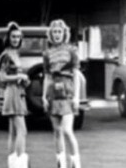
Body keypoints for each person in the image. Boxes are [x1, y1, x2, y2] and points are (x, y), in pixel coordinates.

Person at [42, 19, 82, 168]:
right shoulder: (47, 53)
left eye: (59, 31)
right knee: (57, 131)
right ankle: (61, 164)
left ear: (64, 33)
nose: (57, 34)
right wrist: (44, 97)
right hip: (53, 92)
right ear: (51, 34)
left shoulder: (72, 50)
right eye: (54, 32)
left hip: (68, 92)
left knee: (67, 130)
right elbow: (47, 76)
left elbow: (76, 74)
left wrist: (77, 97)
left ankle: (76, 163)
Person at [0, 21, 30, 168]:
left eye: (18, 37)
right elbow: (1, 77)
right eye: (13, 37)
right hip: (12, 92)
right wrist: (20, 78)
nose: (16, 39)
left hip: (18, 92)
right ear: (8, 38)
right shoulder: (7, 55)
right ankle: (19, 164)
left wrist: (23, 80)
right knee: (22, 131)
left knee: (13, 132)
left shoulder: (15, 53)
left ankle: (12, 164)